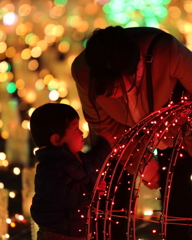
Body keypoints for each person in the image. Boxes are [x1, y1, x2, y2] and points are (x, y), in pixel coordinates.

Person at [71, 26, 192, 240]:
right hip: (123, 139)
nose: (116, 97)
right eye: (110, 93)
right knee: (112, 202)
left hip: (180, 130)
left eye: (119, 90)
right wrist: (140, 162)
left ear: (137, 69)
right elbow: (104, 126)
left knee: (180, 198)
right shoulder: (83, 71)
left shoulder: (168, 52)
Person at [30, 103, 110, 240]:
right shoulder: (49, 169)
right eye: (76, 128)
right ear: (57, 139)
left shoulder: (77, 158)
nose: (81, 132)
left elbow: (93, 162)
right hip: (56, 235)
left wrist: (104, 143)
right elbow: (68, 196)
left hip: (76, 231)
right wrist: (93, 190)